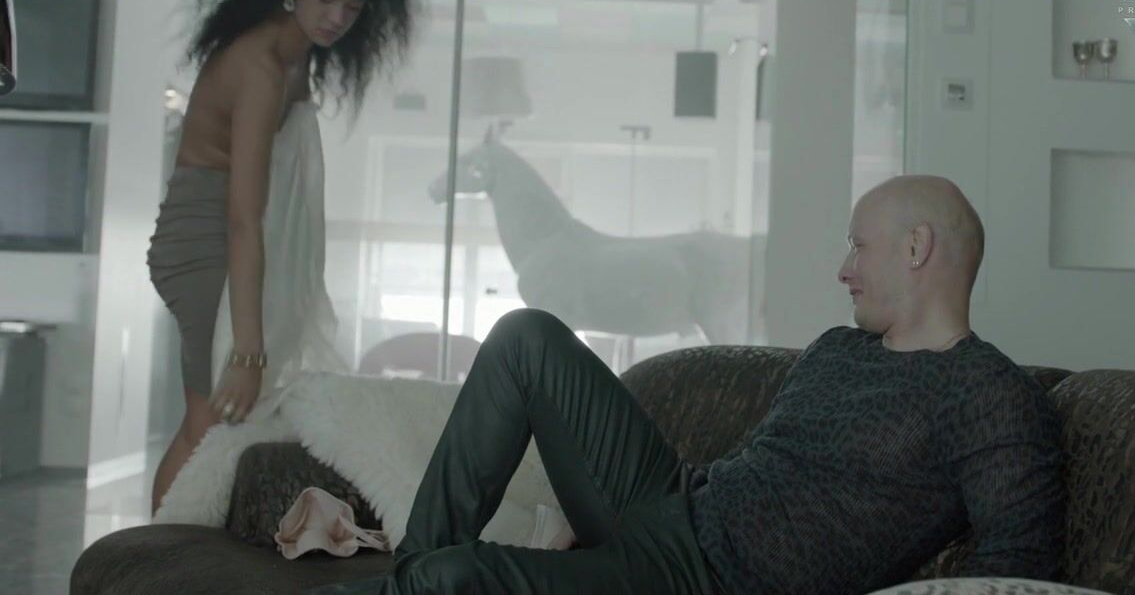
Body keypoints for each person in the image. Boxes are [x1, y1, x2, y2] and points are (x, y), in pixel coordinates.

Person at [316, 175, 1064, 595]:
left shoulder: (986, 393)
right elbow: (766, 468)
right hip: (676, 500)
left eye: (857, 246)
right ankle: (410, 572)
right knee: (525, 337)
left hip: (702, 581)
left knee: (454, 582)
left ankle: (413, 583)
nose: (843, 269)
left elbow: (1018, 568)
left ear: (916, 247)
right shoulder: (839, 348)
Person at [147, 0, 417, 514]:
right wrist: (248, 353)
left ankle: (176, 549)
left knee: (220, 425)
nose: (337, 17)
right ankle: (148, 558)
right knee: (207, 422)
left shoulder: (296, 59)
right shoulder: (262, 66)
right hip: (205, 241)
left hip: (229, 238)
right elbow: (244, 219)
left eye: (352, 6)